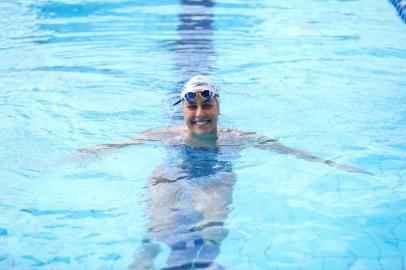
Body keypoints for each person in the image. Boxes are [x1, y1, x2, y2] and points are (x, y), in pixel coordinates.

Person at [79, 75, 370, 270]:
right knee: (158, 226)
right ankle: (145, 252)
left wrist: (333, 164)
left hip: (216, 174)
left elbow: (290, 151)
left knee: (213, 225)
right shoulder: (166, 135)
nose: (200, 114)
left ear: (218, 107)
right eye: (192, 107)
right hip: (172, 171)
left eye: (207, 105)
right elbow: (114, 146)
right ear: (183, 110)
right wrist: (81, 155)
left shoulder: (238, 138)